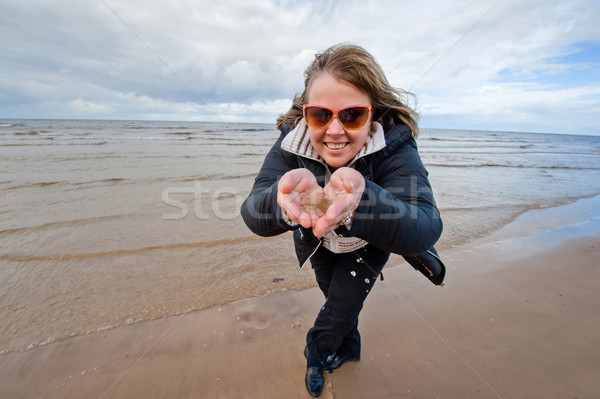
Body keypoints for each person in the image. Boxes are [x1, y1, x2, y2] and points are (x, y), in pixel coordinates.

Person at [241, 43, 445, 397]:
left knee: (339, 308)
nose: (334, 131)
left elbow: (426, 223)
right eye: (321, 114)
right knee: (332, 294)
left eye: (352, 115)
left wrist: (362, 199)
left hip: (367, 244)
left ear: (373, 112)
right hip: (316, 241)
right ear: (305, 114)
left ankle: (316, 356)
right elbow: (252, 210)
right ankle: (350, 347)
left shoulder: (394, 143)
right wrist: (282, 202)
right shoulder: (291, 143)